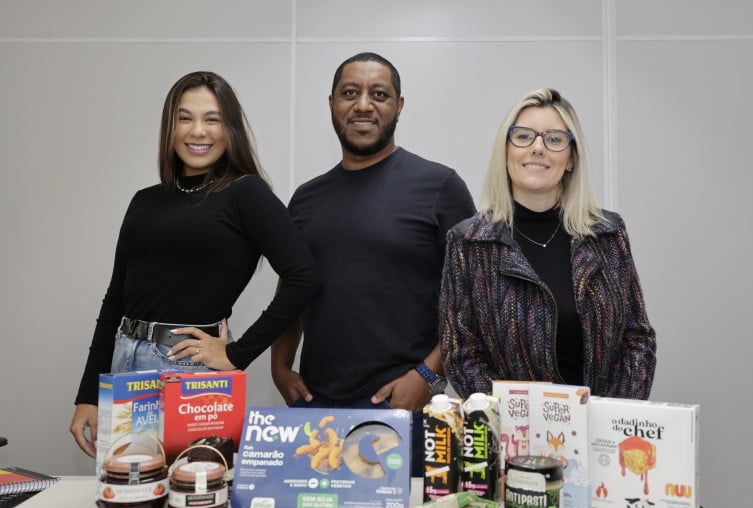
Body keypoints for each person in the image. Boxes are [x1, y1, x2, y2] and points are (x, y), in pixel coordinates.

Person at [69, 71, 320, 457]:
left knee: (196, 499)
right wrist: (88, 394)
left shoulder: (245, 192)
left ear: (230, 128)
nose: (198, 131)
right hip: (124, 363)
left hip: (190, 370)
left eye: (212, 119)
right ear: (170, 128)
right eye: (185, 118)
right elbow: (115, 299)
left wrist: (237, 355)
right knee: (131, 498)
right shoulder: (144, 200)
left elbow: (305, 276)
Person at [270, 52, 476, 476]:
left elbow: (473, 301)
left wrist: (427, 377)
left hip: (404, 408)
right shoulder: (306, 199)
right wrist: (279, 366)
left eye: (378, 94)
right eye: (350, 93)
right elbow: (291, 291)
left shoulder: (441, 187)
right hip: (318, 415)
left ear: (398, 106)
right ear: (331, 104)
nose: (363, 104)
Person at [440, 88, 655, 400]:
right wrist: (527, 427)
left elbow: (637, 339)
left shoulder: (607, 234)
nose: (537, 148)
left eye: (554, 139)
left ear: (570, 158)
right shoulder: (469, 243)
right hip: (514, 441)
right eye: (523, 136)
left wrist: (607, 421)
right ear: (506, 152)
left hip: (601, 438)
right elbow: (461, 356)